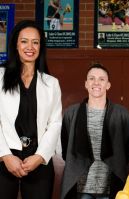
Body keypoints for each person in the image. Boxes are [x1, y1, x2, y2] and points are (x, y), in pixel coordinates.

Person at [0, 20, 62, 199]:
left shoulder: (51, 83)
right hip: (5, 157)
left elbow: (55, 123)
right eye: (24, 41)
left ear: (41, 46)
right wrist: (5, 155)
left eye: (35, 42)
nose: (30, 46)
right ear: (16, 45)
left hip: (37, 159)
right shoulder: (1, 77)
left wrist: (41, 156)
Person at [61, 63, 129, 199]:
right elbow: (66, 149)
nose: (96, 82)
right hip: (80, 185)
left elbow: (128, 150)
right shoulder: (72, 113)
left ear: (108, 85)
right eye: (92, 78)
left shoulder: (122, 114)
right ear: (86, 84)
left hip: (111, 185)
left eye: (101, 79)